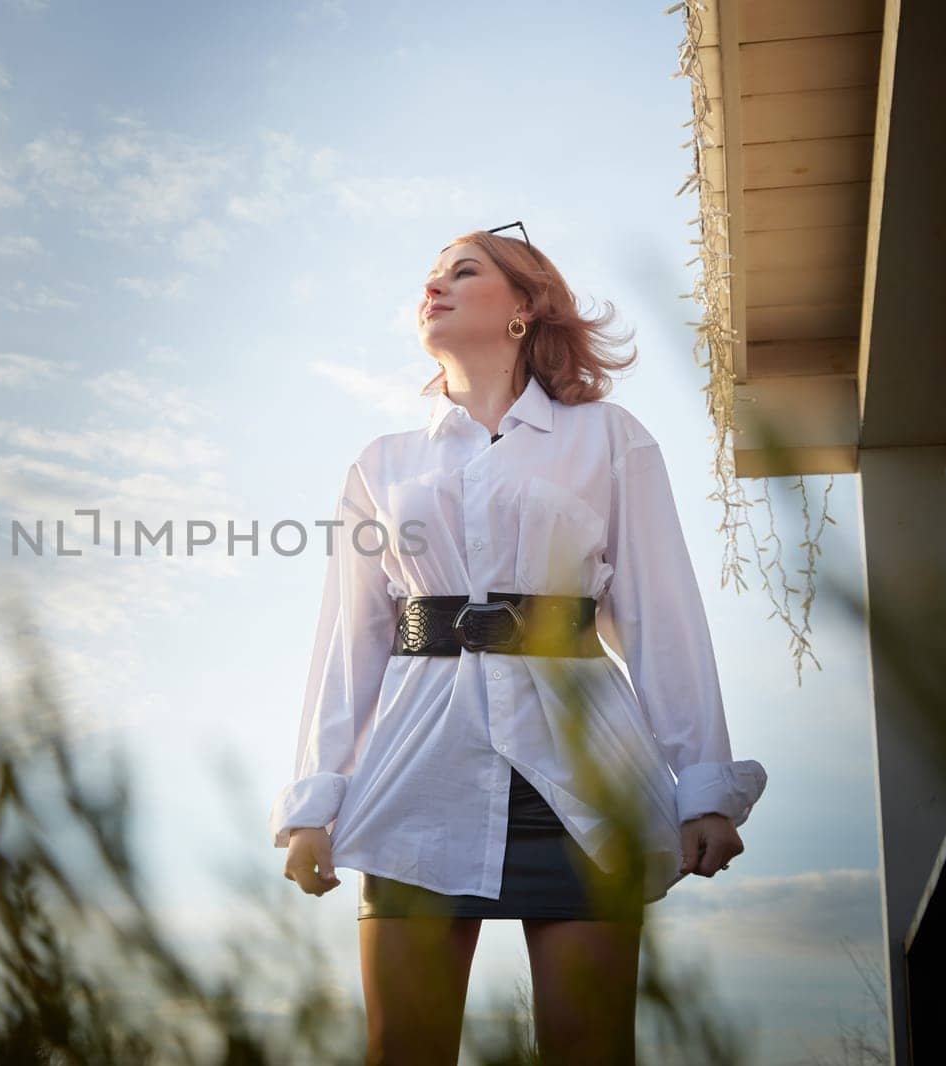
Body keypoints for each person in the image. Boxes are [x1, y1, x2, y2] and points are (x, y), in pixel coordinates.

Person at [268, 225, 768, 1065]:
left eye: (463, 270)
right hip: (417, 779)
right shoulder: (380, 464)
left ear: (525, 307)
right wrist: (316, 804)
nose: (435, 286)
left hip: (580, 784)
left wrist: (704, 785)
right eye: (429, 276)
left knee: (589, 1052)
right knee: (404, 1053)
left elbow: (663, 617)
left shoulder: (608, 439)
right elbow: (348, 644)